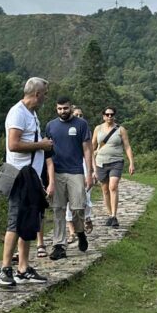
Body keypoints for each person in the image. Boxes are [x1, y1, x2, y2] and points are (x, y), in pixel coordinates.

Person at [0, 77, 54, 288]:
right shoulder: (18, 113)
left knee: (28, 221)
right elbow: (13, 144)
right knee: (15, 221)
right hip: (20, 175)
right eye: (45, 94)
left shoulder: (32, 113)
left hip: (31, 176)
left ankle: (23, 267)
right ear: (37, 94)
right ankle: (4, 269)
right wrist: (42, 144)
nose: (45, 98)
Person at [45, 96, 93, 260]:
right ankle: (59, 245)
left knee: (78, 208)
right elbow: (47, 152)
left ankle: (80, 233)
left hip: (76, 171)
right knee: (58, 209)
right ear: (56, 109)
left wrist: (90, 173)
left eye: (65, 108)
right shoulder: (50, 126)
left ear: (70, 108)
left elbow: (87, 149)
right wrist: (49, 179)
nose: (62, 111)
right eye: (59, 109)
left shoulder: (81, 125)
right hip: (57, 172)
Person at [92, 106, 135, 228]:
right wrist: (90, 163)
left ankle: (114, 216)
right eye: (107, 114)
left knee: (113, 187)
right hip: (101, 162)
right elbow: (92, 146)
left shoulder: (120, 130)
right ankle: (109, 214)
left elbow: (127, 146)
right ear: (103, 116)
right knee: (105, 190)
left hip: (116, 162)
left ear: (114, 116)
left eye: (112, 114)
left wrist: (131, 162)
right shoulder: (98, 129)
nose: (109, 116)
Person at [66, 106, 93, 241]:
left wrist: (92, 171)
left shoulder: (85, 130)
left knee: (85, 198)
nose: (79, 117)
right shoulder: (64, 129)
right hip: (68, 167)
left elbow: (90, 151)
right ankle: (72, 232)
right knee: (68, 201)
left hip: (83, 165)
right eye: (76, 114)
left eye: (81, 115)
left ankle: (87, 217)